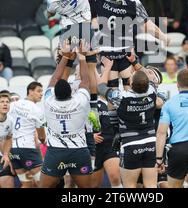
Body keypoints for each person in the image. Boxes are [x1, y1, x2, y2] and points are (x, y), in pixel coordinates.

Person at [40, 42, 92, 188]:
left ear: (55, 92)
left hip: (56, 152)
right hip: (79, 151)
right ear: (71, 92)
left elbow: (54, 79)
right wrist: (82, 57)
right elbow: (85, 81)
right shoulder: (80, 101)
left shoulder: (49, 102)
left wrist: (65, 56)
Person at [99, 70, 161, 188]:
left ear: (131, 83)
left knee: (129, 186)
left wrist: (108, 67)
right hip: (150, 142)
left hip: (130, 144)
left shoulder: (122, 97)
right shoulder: (152, 92)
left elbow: (101, 87)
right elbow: (152, 81)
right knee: (151, 185)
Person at [9, 82, 46, 187]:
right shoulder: (37, 110)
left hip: (13, 150)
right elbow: (41, 136)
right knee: (42, 183)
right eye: (39, 91)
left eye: (42, 91)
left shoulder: (13, 104)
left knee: (26, 184)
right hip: (27, 149)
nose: (41, 94)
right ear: (30, 91)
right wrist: (44, 142)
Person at [91, 59, 122, 188]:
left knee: (115, 178)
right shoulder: (82, 98)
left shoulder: (103, 99)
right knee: (94, 185)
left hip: (109, 144)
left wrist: (107, 67)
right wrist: (90, 136)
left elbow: (101, 85)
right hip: (93, 147)